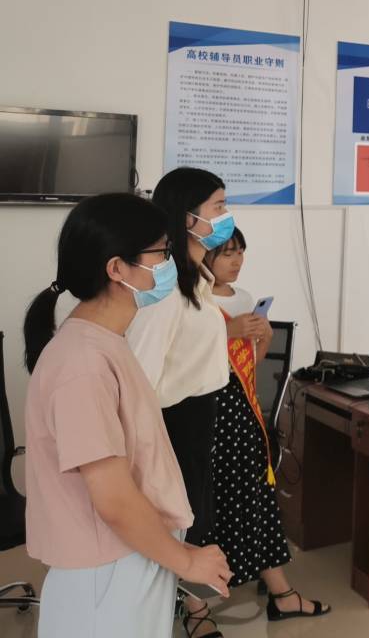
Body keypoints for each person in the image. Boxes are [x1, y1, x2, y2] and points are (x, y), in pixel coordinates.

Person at [22, 193, 231, 637]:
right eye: (162, 253)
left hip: (130, 555)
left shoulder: (106, 342)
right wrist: (187, 561)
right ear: (117, 268)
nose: (171, 263)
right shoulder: (82, 364)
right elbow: (113, 498)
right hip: (107, 571)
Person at [126, 167, 235, 637]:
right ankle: (176, 616)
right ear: (188, 217)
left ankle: (190, 609)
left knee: (193, 519)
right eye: (219, 207)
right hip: (173, 420)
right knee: (176, 523)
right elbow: (140, 375)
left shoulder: (196, 279)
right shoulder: (166, 289)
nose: (226, 216)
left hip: (202, 412)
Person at [204, 227, 330, 621]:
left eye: (240, 252)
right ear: (204, 257)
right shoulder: (194, 301)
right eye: (227, 253)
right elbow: (190, 364)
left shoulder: (243, 298)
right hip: (207, 410)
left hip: (241, 407)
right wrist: (224, 331)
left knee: (256, 495)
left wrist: (264, 340)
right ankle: (199, 599)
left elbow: (250, 365)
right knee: (213, 501)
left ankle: (280, 591)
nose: (237, 261)